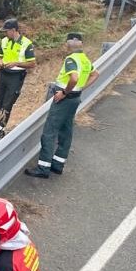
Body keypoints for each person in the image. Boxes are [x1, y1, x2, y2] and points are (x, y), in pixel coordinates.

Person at [24, 32, 98, 179]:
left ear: (67, 44)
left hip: (64, 99)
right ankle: (58, 165)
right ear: (81, 44)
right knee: (66, 131)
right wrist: (81, 88)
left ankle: (43, 168)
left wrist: (64, 92)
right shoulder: (84, 59)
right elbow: (95, 74)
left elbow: (74, 78)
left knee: (50, 132)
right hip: (75, 99)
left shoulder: (71, 59)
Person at [0, 18, 35, 144]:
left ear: (14, 30)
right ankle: (0, 127)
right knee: (0, 103)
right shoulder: (4, 41)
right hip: (3, 74)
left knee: (7, 105)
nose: (5, 34)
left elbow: (32, 63)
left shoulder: (26, 44)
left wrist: (17, 63)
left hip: (16, 77)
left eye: (7, 31)